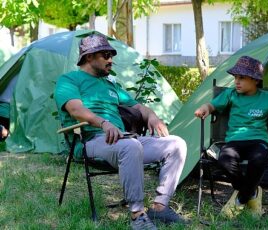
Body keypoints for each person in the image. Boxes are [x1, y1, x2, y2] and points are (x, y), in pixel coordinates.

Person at [54, 34, 187, 229]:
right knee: (130, 146)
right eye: (106, 55)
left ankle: (160, 208)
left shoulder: (111, 86)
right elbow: (75, 110)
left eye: (112, 55)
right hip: (91, 140)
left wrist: (152, 117)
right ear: (89, 57)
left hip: (122, 140)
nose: (111, 60)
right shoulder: (69, 80)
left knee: (176, 144)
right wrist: (104, 123)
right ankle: (137, 216)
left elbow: (139, 107)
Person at [194, 55, 268, 217]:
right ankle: (252, 193)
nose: (236, 81)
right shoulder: (231, 94)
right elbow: (211, 105)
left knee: (259, 160)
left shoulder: (267, 97)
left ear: (256, 80)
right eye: (235, 77)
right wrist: (205, 107)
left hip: (259, 141)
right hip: (233, 142)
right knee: (224, 161)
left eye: (242, 78)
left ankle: (240, 200)